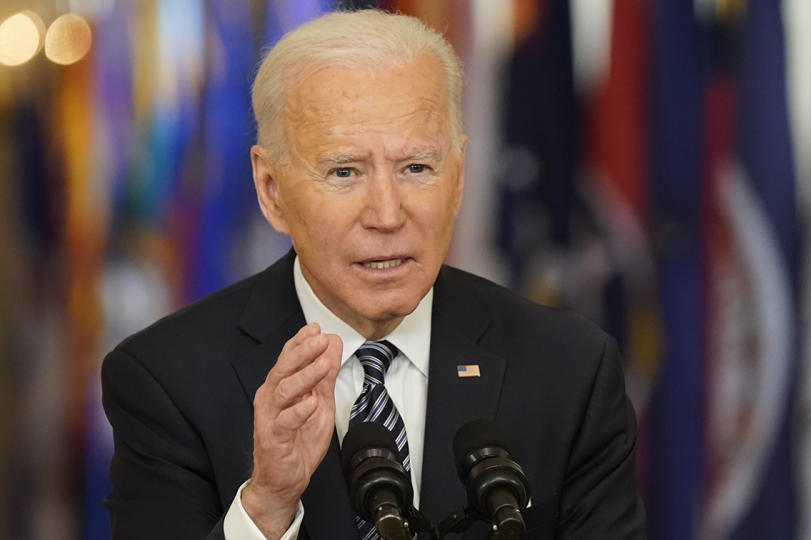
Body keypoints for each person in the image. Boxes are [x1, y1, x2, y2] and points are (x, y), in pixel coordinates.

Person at [101, 9, 642, 540]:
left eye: (416, 168)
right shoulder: (166, 382)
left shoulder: (570, 371)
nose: (386, 215)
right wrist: (266, 508)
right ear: (270, 190)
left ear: (457, 179)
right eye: (344, 171)